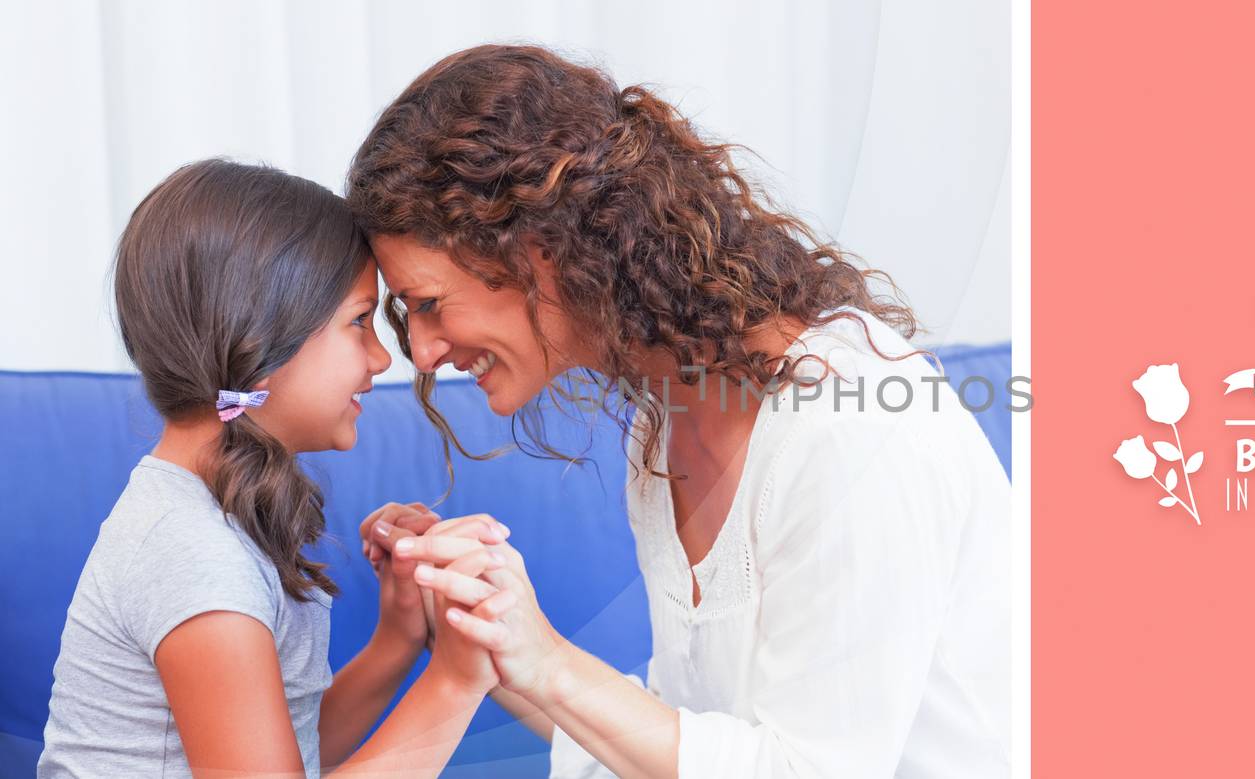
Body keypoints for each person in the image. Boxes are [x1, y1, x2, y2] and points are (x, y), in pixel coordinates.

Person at [351, 44, 1012, 777]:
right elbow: (686, 744)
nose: (421, 350)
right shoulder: (660, 429)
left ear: (539, 248)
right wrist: (485, 625)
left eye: (428, 304)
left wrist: (548, 658)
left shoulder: (849, 431)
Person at [38, 159, 506, 778]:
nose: (381, 356)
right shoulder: (194, 556)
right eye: (360, 321)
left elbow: (293, 756)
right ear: (263, 340)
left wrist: (399, 639)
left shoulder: (213, 516)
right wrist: (457, 682)